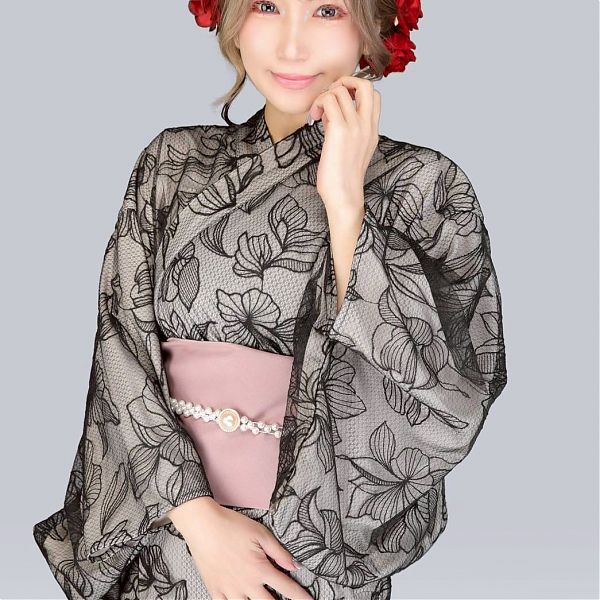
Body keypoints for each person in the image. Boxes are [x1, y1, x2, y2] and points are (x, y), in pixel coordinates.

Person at [33, 1, 508, 599]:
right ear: (230, 18)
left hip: (305, 546)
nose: (291, 45)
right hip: (167, 529)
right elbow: (119, 347)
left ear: (376, 26)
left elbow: (449, 398)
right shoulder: (172, 162)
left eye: (327, 10)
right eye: (266, 5)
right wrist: (200, 522)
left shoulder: (426, 184)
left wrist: (345, 203)